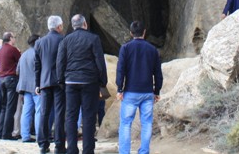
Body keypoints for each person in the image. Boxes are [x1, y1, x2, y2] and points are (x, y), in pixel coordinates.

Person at [57, 14, 107, 154]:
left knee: (71, 116)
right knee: (89, 116)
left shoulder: (66, 40)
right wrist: (103, 81)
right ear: (85, 24)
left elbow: (60, 62)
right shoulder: (93, 38)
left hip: (71, 81)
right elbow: (100, 61)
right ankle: (88, 150)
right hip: (89, 81)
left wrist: (61, 80)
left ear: (73, 26)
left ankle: (72, 149)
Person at [116, 21, 163, 154]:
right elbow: (158, 73)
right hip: (147, 93)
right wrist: (157, 91)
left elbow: (121, 70)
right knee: (147, 124)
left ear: (131, 33)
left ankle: (124, 152)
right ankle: (144, 151)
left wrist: (120, 89)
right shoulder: (152, 50)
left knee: (125, 124)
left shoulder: (125, 48)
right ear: (144, 32)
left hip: (130, 92)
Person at [35, 15, 66, 154]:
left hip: (44, 81)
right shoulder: (63, 40)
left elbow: (37, 65)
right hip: (60, 82)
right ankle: (59, 146)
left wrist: (37, 84)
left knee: (44, 113)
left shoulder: (40, 42)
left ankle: (43, 144)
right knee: (59, 113)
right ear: (59, 26)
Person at [0, 31, 21, 140]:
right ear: (10, 38)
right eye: (14, 37)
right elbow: (20, 61)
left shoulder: (0, 50)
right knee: (11, 107)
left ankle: (0, 132)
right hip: (11, 79)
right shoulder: (12, 49)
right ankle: (7, 134)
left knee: (3, 107)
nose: (15, 39)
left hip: (1, 79)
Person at [17, 34, 41, 142]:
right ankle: (40, 136)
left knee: (26, 111)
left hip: (24, 87)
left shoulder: (23, 55)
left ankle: (25, 136)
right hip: (36, 86)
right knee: (39, 111)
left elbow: (17, 71)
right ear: (37, 41)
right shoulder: (38, 53)